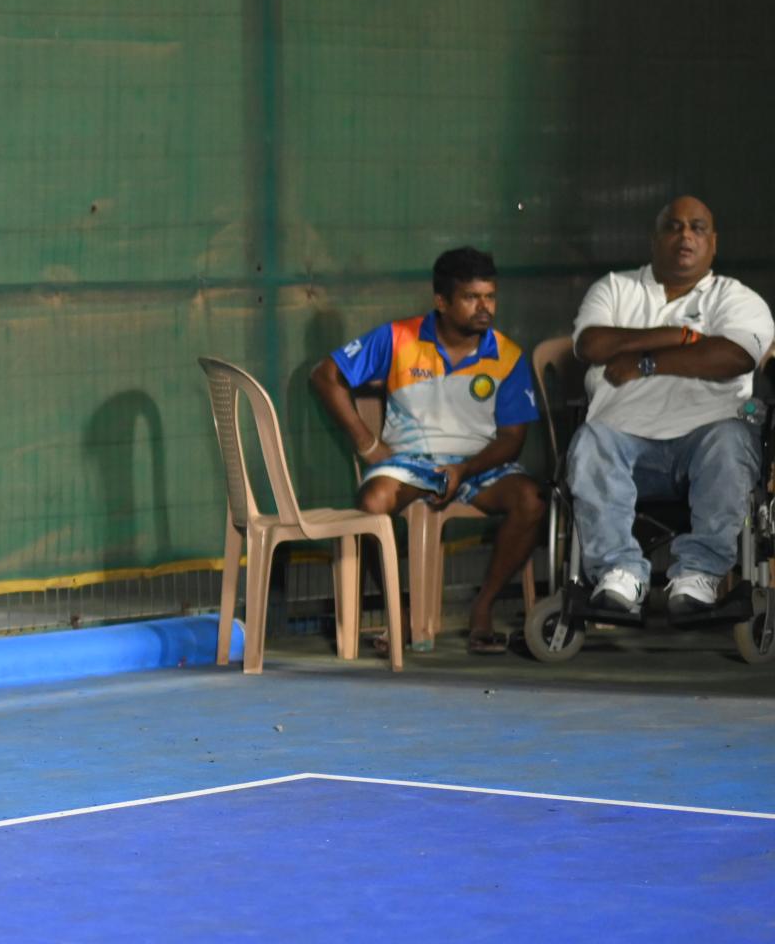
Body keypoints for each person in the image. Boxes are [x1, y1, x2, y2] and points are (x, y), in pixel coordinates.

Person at [309, 247, 545, 652]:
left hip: (479, 466)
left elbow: (512, 439)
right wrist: (367, 442)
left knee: (532, 500)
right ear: (442, 301)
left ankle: (483, 607)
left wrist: (464, 470)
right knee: (371, 503)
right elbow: (325, 376)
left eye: (490, 296)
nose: (485, 307)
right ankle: (398, 613)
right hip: (410, 464)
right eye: (471, 297)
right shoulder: (397, 337)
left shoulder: (508, 356)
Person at [570, 196, 772, 623]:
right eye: (674, 226)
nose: (685, 236)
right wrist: (680, 337)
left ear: (713, 242)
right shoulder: (615, 288)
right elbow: (592, 344)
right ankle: (619, 573)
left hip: (707, 439)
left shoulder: (736, 298)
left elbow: (733, 357)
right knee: (590, 441)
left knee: (732, 440)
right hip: (622, 437)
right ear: (654, 239)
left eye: (697, 228)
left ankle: (698, 575)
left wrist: (645, 362)